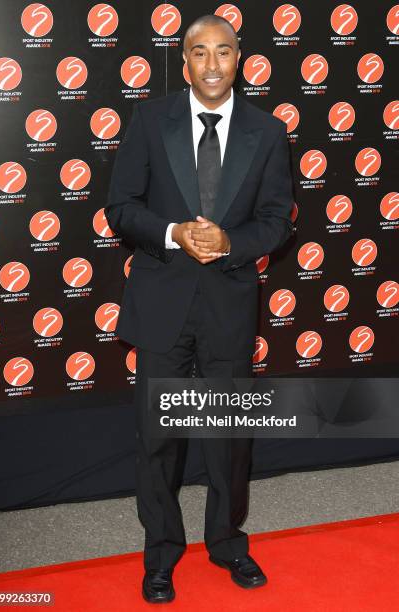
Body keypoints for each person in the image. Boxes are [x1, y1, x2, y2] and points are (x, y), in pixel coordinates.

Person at [105, 14, 294, 604]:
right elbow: (121, 206)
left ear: (241, 59)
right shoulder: (149, 119)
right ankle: (160, 555)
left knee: (228, 435)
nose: (212, 65)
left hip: (228, 305)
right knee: (158, 437)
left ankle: (227, 543)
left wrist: (231, 244)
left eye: (224, 52)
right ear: (183, 61)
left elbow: (276, 220)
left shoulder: (267, 132)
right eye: (199, 53)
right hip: (162, 299)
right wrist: (171, 233)